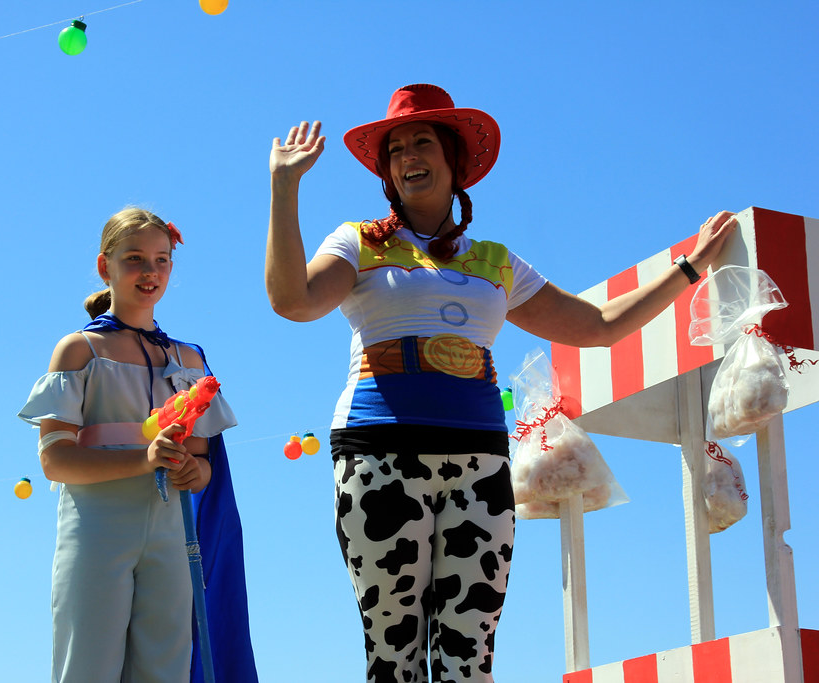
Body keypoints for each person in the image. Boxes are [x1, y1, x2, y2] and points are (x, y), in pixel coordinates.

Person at [265, 84, 736, 682]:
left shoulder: (496, 260)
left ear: (453, 161)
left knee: (471, 655)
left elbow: (599, 326)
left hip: (480, 465)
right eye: (397, 148)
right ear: (386, 171)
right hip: (378, 455)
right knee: (394, 653)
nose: (409, 155)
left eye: (423, 142)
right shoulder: (359, 242)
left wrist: (688, 269)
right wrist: (285, 187)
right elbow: (292, 300)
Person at [18, 207, 257, 683]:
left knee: (167, 669)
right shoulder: (79, 350)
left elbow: (206, 465)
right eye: (134, 259)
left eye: (161, 260)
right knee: (88, 667)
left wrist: (195, 472)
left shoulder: (190, 359)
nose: (150, 272)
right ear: (105, 266)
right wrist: (144, 459)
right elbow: (54, 461)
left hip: (174, 538)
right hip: (96, 533)